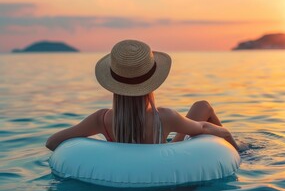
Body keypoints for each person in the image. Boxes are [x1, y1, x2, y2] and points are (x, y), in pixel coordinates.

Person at [45, 40, 239, 151]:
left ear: (114, 84)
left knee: (201, 106)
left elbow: (52, 142)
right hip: (163, 166)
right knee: (204, 112)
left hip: (123, 173)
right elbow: (204, 127)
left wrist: (98, 150)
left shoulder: (100, 119)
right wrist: (232, 143)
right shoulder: (165, 117)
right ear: (151, 83)